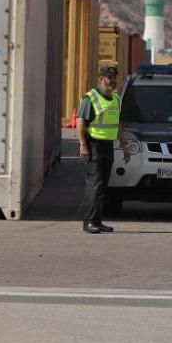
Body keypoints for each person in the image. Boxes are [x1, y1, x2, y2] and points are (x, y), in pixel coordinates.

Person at [77, 64, 130, 234]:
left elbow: (117, 125)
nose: (112, 81)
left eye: (114, 78)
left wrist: (124, 145)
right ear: (100, 79)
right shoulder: (90, 98)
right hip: (94, 146)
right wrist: (83, 144)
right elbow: (80, 121)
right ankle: (89, 222)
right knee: (94, 184)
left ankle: (97, 221)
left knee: (102, 185)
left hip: (108, 146)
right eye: (109, 78)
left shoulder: (116, 100)